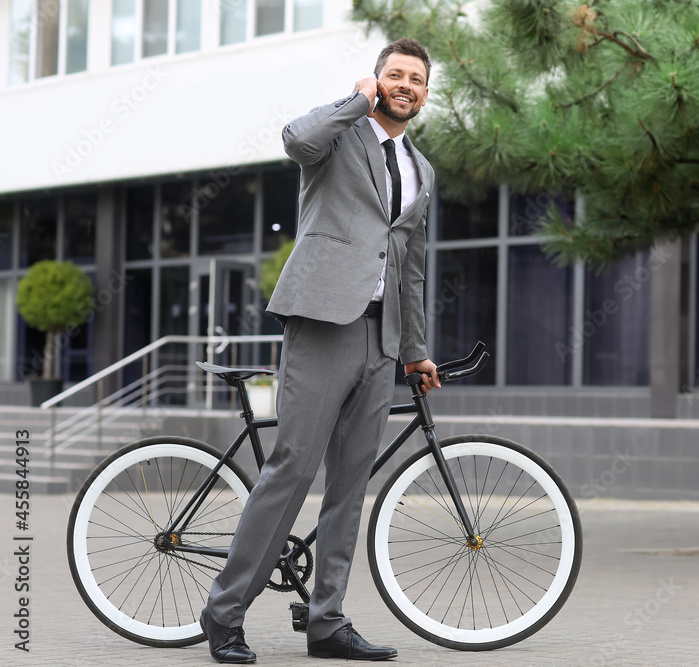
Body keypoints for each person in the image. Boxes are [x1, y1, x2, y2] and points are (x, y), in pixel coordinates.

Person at [200, 37, 439, 663]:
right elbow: (296, 139)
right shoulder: (340, 136)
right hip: (323, 322)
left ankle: (327, 621)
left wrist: (414, 348)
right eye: (395, 74)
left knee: (349, 486)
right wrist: (354, 101)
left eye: (416, 77)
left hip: (381, 338)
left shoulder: (421, 169)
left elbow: (411, 264)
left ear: (424, 89)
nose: (405, 84)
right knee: (293, 468)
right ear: (378, 79)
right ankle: (225, 613)